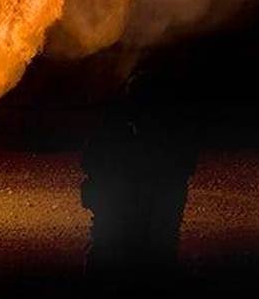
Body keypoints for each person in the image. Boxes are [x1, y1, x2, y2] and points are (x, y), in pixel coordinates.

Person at [81, 67, 199, 293]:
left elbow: (89, 161)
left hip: (132, 239)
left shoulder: (125, 134)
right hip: (140, 239)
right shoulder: (165, 137)